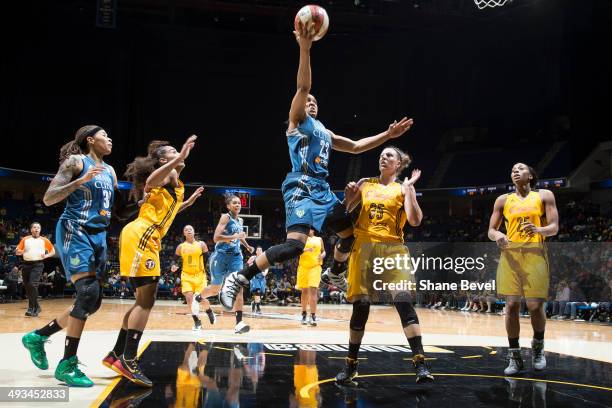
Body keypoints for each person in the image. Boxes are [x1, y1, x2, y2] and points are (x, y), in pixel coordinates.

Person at [219, 24, 414, 310]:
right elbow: (303, 86)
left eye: (313, 102)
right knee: (294, 246)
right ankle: (240, 277)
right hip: (300, 184)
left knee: (350, 233)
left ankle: (334, 272)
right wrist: (305, 47)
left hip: (322, 189)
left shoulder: (325, 131)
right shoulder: (298, 123)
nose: (309, 102)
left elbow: (358, 146)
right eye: (306, 101)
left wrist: (388, 135)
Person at [104, 136, 203, 387]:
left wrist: (188, 202)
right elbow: (150, 181)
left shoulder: (174, 182)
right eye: (171, 151)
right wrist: (179, 157)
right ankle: (129, 359)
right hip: (142, 236)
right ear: (162, 160)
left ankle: (116, 354)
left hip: (145, 237)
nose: (179, 153)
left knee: (142, 301)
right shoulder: (164, 176)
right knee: (146, 302)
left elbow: (169, 212)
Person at [22, 126, 116, 387]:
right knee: (86, 294)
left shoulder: (110, 171)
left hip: (99, 235)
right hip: (75, 228)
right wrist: (79, 182)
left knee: (91, 302)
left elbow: (114, 211)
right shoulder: (76, 162)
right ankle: (67, 364)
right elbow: (49, 198)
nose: (109, 139)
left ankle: (38, 337)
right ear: (90, 140)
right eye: (104, 135)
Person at [335, 146, 434, 385]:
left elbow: (415, 220)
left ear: (399, 164)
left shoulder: (403, 188)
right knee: (362, 306)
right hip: (364, 246)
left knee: (403, 301)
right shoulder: (365, 183)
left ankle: (420, 363)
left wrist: (410, 190)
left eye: (389, 155)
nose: (383, 157)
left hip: (393, 247)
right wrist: (348, 201)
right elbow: (344, 213)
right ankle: (350, 365)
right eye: (382, 155)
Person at [488, 163, 559, 375]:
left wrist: (539, 229)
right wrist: (499, 235)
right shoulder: (502, 200)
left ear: (530, 176)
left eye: (520, 168)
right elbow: (491, 230)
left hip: (535, 256)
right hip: (510, 257)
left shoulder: (544, 195)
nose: (515, 171)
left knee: (535, 306)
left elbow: (554, 227)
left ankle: (538, 347)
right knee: (511, 306)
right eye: (512, 170)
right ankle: (515, 355)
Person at [197, 194, 254, 334]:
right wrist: (234, 237)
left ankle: (239, 323)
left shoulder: (240, 220)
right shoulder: (225, 217)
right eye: (234, 203)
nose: (237, 205)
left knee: (238, 288)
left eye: (239, 203)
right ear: (228, 206)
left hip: (236, 258)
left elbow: (239, 236)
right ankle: (200, 297)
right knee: (215, 290)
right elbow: (216, 238)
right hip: (220, 257)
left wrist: (246, 246)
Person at [174, 224, 215, 330]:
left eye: (190, 229)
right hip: (186, 275)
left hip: (200, 275)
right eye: (186, 229)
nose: (188, 231)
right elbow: (175, 261)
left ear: (194, 231)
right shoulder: (180, 247)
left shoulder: (201, 244)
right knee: (189, 299)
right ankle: (197, 322)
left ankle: (209, 311)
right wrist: (174, 266)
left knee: (201, 299)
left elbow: (207, 259)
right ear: (184, 233)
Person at [16, 222, 55, 316]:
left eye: (38, 227)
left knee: (33, 285)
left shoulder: (44, 240)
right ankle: (35, 308)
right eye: (34, 227)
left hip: (38, 264)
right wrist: (22, 251)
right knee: (28, 287)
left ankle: (32, 308)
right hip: (26, 265)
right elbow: (17, 252)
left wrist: (46, 255)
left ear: (40, 230)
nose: (36, 229)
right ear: (31, 229)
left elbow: (53, 251)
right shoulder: (25, 239)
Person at [296, 229, 325, 326]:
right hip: (303, 267)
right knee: (304, 291)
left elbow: (324, 251)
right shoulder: (301, 238)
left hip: (315, 267)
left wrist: (322, 256)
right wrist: (306, 250)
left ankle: (313, 316)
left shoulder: (319, 239)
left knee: (313, 290)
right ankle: (304, 314)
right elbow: (296, 250)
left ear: (313, 229)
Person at [248, 247, 268, 315]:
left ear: (262, 251)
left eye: (260, 250)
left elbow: (267, 267)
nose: (259, 251)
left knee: (261, 293)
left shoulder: (265, 258)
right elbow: (248, 266)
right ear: (256, 251)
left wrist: (265, 272)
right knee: (257, 291)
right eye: (258, 250)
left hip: (262, 277)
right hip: (255, 277)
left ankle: (254, 302)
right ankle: (258, 308)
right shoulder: (253, 258)